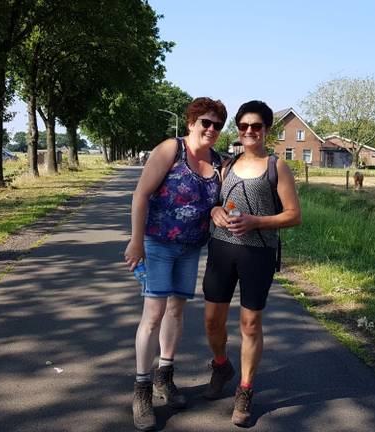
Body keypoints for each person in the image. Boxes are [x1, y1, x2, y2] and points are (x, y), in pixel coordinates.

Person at [124, 97, 227, 431]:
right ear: (191, 123)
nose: (211, 129)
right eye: (205, 123)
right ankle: (141, 391)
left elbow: (224, 202)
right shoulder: (172, 149)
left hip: (190, 248)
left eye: (217, 125)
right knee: (153, 314)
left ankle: (164, 377)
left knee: (176, 312)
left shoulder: (219, 164)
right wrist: (136, 240)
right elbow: (141, 195)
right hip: (157, 243)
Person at [202, 100, 302, 427]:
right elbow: (215, 204)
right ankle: (221, 365)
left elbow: (293, 216)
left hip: (257, 253)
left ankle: (245, 389)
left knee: (250, 324)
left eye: (255, 126)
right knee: (212, 321)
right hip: (221, 250)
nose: (248, 132)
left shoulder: (277, 167)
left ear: (266, 130)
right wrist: (215, 212)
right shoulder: (227, 165)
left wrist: (256, 221)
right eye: (243, 126)